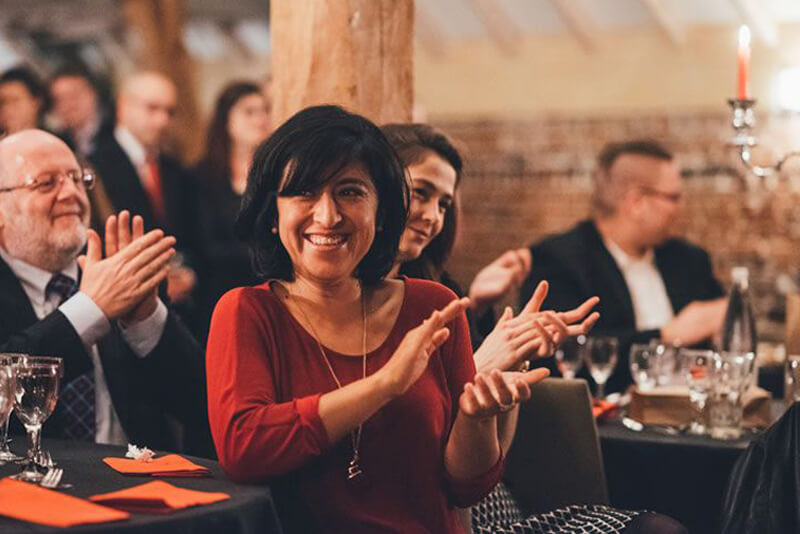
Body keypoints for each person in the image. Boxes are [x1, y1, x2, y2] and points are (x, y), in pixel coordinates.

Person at [206, 105, 552, 533]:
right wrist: (384, 384)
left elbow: (467, 487)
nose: (328, 215)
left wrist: (478, 418)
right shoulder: (247, 311)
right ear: (272, 215)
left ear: (381, 211)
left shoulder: (433, 306)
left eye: (350, 192)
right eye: (304, 193)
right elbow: (245, 449)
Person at [383, 123, 687, 534]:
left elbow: (492, 462)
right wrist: (480, 366)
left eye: (444, 203)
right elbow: (411, 450)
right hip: (439, 510)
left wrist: (511, 368)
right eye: (421, 193)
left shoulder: (441, 295)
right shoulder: (349, 307)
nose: (432, 216)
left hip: (486, 499)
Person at [0, 129, 209, 454]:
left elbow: (202, 405)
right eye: (45, 182)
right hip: (29, 490)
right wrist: (90, 310)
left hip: (141, 486)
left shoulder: (121, 276)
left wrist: (146, 319)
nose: (71, 192)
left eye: (76, 178)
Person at [520, 140, 726, 393]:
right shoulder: (558, 259)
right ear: (636, 202)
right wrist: (666, 336)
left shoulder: (688, 259)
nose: (680, 208)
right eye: (673, 197)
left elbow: (723, 325)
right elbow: (565, 356)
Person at [88, 71, 196, 305]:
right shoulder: (95, 164)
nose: (162, 120)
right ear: (124, 106)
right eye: (152, 108)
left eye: (169, 111)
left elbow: (187, 231)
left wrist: (188, 273)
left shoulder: (172, 166)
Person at [191, 81, 271, 341]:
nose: (260, 119)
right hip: (219, 297)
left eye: (264, 111)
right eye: (249, 112)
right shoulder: (203, 176)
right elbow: (205, 247)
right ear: (226, 119)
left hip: (269, 294)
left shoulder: (276, 175)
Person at [49, 63, 114, 157]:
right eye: (59, 100)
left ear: (92, 93)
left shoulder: (116, 134)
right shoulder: (57, 142)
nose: (67, 105)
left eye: (73, 96)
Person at [0, 66, 48, 135]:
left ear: (36, 102)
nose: (7, 110)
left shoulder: (57, 142)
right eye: (3, 102)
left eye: (15, 101)